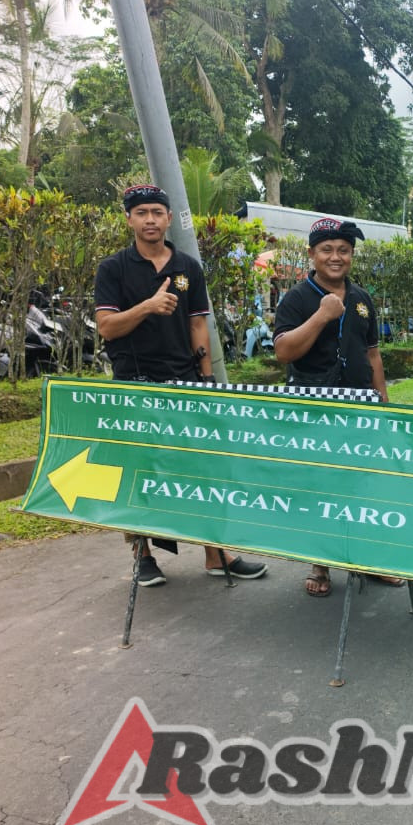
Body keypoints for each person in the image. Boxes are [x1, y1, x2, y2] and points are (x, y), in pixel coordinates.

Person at [94, 184, 268, 587]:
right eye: (142, 213)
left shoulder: (188, 266)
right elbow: (107, 326)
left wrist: (205, 380)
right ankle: (143, 555)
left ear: (169, 217)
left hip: (184, 383)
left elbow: (196, 324)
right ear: (129, 219)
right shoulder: (113, 269)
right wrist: (148, 306)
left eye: (157, 211)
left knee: (200, 469)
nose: (150, 219)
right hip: (135, 385)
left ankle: (215, 552)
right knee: (138, 471)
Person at [272, 217, 401, 597]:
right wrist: (323, 314)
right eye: (326, 250)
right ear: (311, 254)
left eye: (343, 250)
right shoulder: (297, 298)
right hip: (314, 408)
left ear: (352, 255)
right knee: (320, 486)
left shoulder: (362, 299)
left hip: (360, 406)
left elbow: (373, 354)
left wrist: (383, 402)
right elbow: (283, 352)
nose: (335, 257)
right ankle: (321, 564)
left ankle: (368, 561)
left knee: (363, 485)